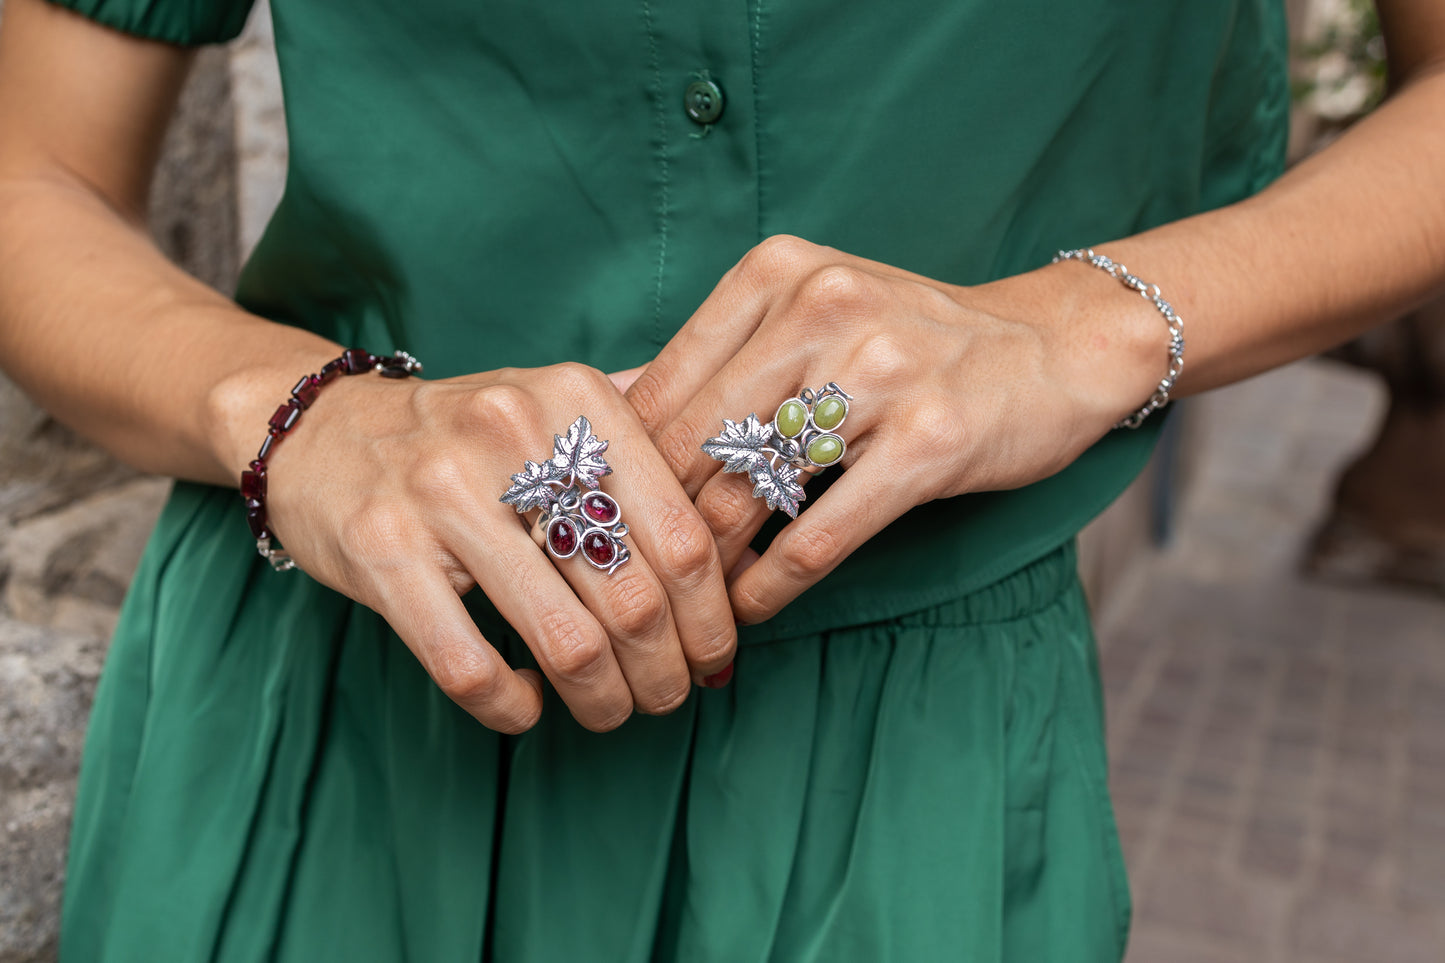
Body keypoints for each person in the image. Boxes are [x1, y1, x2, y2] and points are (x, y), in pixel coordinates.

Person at [1, 0, 1442, 959]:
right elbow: (35, 166)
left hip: (898, 757)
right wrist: (302, 420)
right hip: (332, 709)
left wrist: (1083, 325)